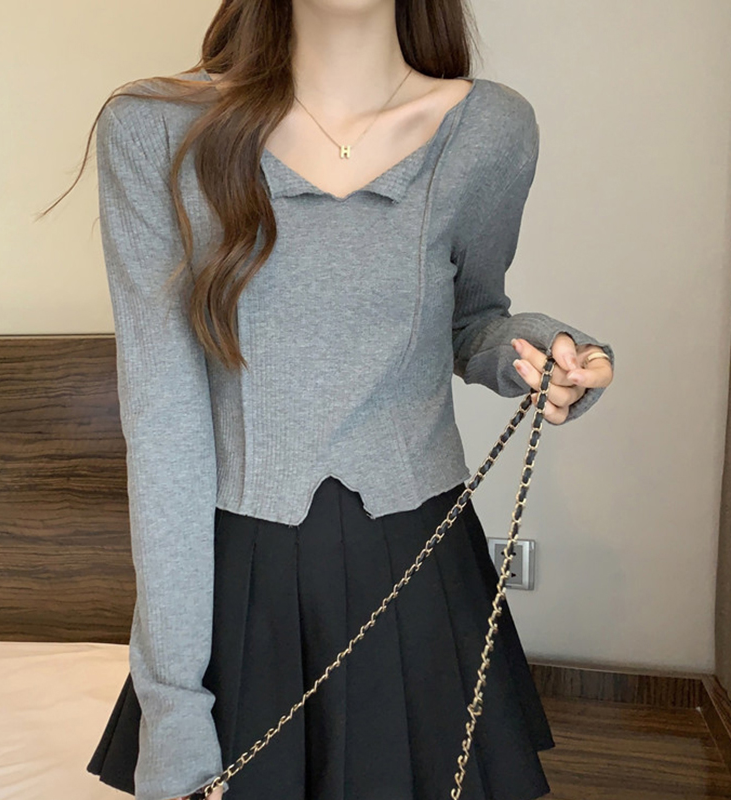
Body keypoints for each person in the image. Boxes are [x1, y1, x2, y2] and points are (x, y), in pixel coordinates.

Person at [40, 1, 615, 798]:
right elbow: (164, 421)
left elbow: (472, 319)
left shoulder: (490, 129)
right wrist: (172, 702)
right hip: (241, 579)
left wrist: (544, 352)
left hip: (421, 566)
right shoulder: (153, 129)